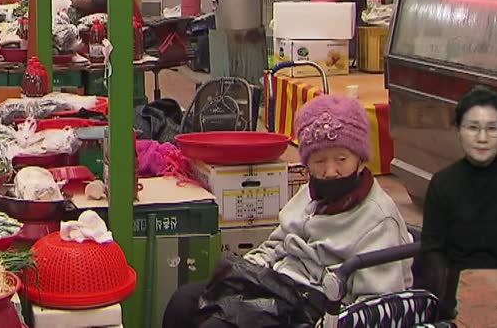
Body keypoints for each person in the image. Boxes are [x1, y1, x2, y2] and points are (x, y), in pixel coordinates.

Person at [164, 95, 413, 327]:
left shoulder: (379, 218)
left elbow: (375, 305)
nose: (330, 171)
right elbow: (277, 244)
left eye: (341, 159)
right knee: (183, 302)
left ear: (360, 160)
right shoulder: (311, 194)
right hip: (278, 285)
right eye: (319, 161)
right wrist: (244, 273)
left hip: (320, 308)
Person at [419, 85, 497, 319]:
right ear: (459, 130)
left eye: (492, 128)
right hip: (456, 292)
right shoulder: (442, 183)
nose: (482, 138)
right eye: (472, 127)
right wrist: (452, 290)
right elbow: (432, 248)